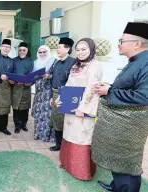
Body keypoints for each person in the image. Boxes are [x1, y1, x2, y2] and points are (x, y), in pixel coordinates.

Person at [92, 22, 148, 192]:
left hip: (129, 129)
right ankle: (116, 186)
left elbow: (144, 96)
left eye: (122, 40)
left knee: (127, 166)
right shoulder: (137, 61)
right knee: (118, 161)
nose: (118, 44)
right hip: (121, 127)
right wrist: (110, 87)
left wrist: (109, 91)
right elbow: (131, 87)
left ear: (137, 44)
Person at [55, 38, 102, 180]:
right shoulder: (76, 65)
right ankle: (68, 164)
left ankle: (81, 171)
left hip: (83, 111)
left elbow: (92, 89)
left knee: (81, 138)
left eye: (84, 49)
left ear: (91, 50)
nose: (80, 52)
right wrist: (60, 99)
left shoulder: (95, 65)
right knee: (69, 134)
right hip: (71, 108)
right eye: (78, 49)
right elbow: (69, 84)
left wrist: (83, 109)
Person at [47, 37, 76, 151]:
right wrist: (50, 96)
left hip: (66, 95)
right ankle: (58, 144)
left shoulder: (74, 62)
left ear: (67, 49)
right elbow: (52, 80)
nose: (57, 50)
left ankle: (66, 146)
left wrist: (63, 95)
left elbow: (74, 82)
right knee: (56, 120)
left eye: (60, 47)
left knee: (66, 121)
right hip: (55, 94)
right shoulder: (57, 63)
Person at [31, 45, 56, 142]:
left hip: (48, 91)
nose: (42, 54)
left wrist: (49, 76)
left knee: (47, 114)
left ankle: (47, 136)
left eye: (44, 52)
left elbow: (58, 75)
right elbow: (33, 77)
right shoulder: (36, 63)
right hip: (39, 91)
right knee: (38, 113)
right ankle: (38, 134)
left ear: (48, 52)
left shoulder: (54, 62)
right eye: (40, 52)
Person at [12, 42, 33, 133]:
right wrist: (15, 80)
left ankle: (24, 124)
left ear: (27, 51)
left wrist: (30, 82)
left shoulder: (30, 61)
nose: (22, 52)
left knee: (25, 108)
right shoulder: (14, 60)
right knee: (16, 108)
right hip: (16, 87)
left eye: (24, 50)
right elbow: (11, 73)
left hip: (26, 87)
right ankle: (17, 125)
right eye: (20, 50)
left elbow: (32, 74)